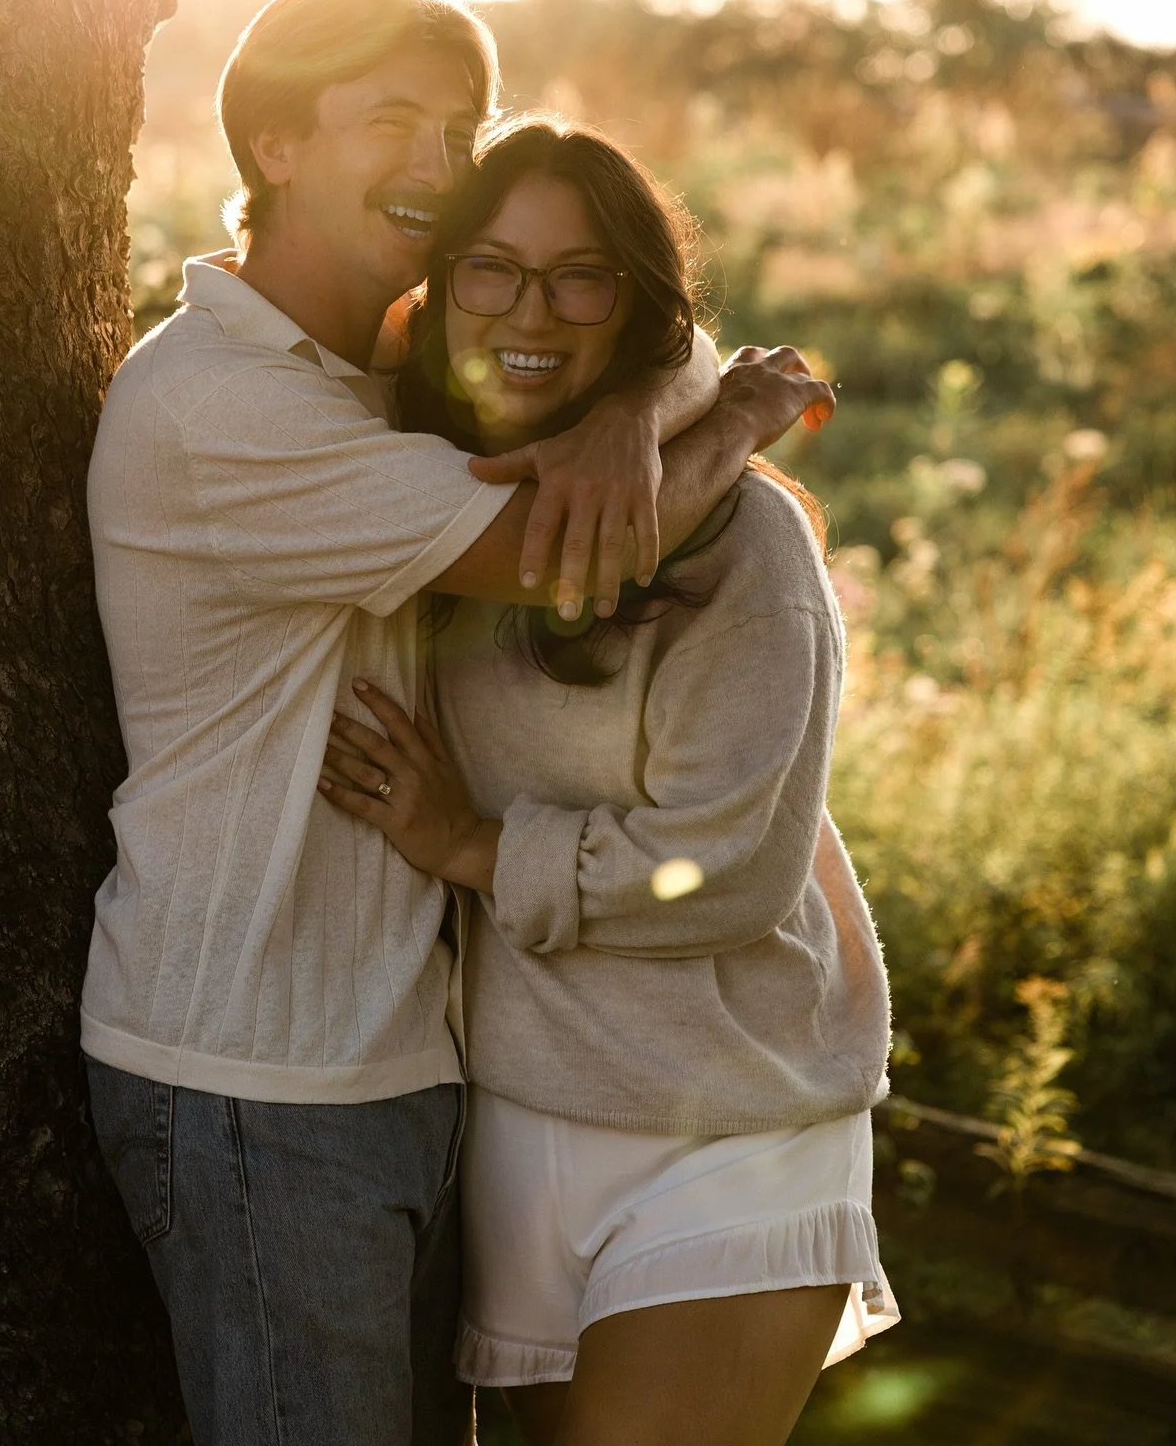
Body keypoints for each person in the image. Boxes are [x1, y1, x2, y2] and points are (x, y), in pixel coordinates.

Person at [80, 0, 834, 1446]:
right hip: (259, 1075)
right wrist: (739, 415)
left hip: (406, 1069)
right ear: (276, 144)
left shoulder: (384, 382)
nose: (435, 166)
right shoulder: (224, 407)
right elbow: (564, 555)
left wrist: (637, 407)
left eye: (456, 127)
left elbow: (633, 324)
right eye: (388, 123)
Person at [318, 116, 896, 1446]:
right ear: (442, 285)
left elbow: (735, 868)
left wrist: (470, 846)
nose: (532, 311)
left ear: (633, 306)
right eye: (494, 270)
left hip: (733, 1121)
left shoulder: (744, 541)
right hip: (520, 1123)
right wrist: (689, 400)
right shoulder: (429, 490)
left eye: (583, 277)